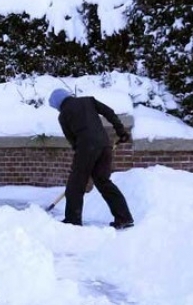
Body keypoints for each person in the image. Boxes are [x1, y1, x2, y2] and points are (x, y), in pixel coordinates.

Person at [47, 88, 134, 229]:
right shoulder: (88, 101)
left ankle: (72, 221)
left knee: (76, 185)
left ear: (58, 104)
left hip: (86, 147)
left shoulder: (63, 115)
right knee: (103, 181)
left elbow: (72, 139)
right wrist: (121, 132)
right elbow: (109, 112)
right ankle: (124, 218)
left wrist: (83, 159)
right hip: (105, 145)